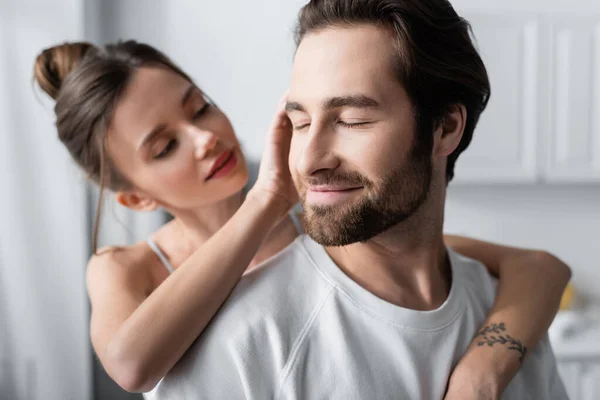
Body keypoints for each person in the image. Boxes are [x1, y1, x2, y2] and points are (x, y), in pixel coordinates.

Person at [33, 23, 569, 400]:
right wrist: (267, 199)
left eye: (200, 107)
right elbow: (131, 365)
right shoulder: (127, 268)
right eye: (163, 147)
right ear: (135, 198)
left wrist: (485, 367)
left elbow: (533, 267)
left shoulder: (326, 230)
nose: (203, 138)